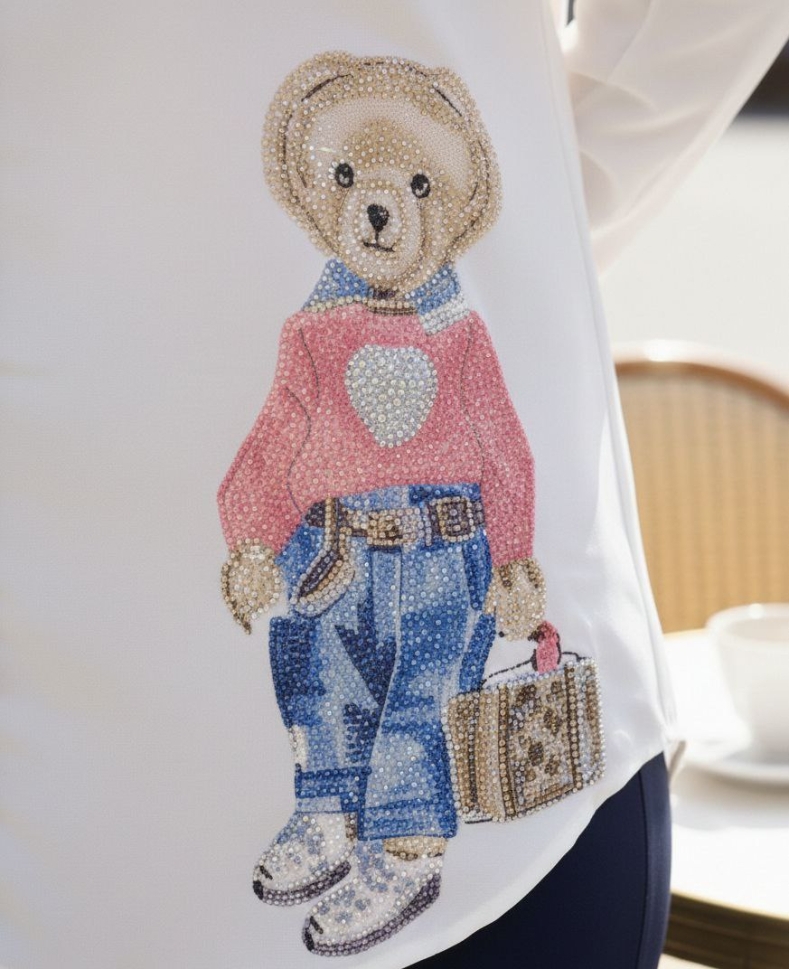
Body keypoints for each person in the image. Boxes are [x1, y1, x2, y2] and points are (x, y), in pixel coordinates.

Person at [2, 3, 788, 969]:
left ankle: (406, 848)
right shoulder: (309, 334)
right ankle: (327, 810)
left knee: (424, 701)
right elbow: (275, 438)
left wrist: (536, 218)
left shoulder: (457, 337)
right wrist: (251, 538)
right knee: (316, 678)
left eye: (416, 187)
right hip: (259, 574)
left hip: (448, 564)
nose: (379, 207)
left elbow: (503, 450)